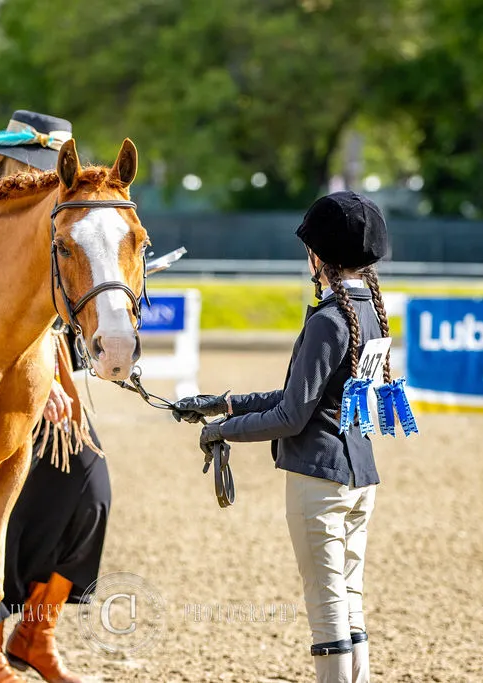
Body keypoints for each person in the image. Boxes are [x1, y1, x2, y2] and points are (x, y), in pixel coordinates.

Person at [174, 191, 395, 683]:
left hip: (319, 482)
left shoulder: (328, 320)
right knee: (349, 602)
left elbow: (293, 416)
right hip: (359, 477)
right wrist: (227, 405)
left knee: (327, 608)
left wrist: (221, 432)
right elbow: (308, 398)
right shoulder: (370, 313)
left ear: (320, 255)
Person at [0, 110, 109, 683]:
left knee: (92, 490)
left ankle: (35, 634)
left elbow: (49, 318)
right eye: (41, 167)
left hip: (42, 376)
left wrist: (61, 385)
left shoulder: (58, 217)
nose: (49, 177)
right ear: (16, 164)